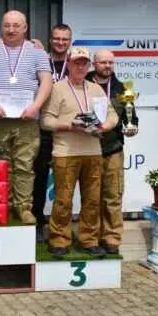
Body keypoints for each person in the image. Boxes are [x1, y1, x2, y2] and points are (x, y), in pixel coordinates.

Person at [41, 47, 118, 257]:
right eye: (76, 63)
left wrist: (105, 126)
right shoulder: (57, 88)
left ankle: (89, 240)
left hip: (93, 151)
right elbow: (46, 120)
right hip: (65, 152)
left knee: (92, 200)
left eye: (84, 63)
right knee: (63, 199)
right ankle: (59, 240)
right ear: (68, 64)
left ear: (89, 66)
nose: (80, 67)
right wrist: (70, 126)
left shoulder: (96, 89)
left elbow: (112, 115)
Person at [0, 10, 52, 224]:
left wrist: (36, 107)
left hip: (27, 119)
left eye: (16, 26)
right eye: (7, 25)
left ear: (25, 28)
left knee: (24, 165)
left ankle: (23, 207)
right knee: (0, 164)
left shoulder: (37, 52)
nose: (11, 30)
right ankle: (3, 206)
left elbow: (46, 81)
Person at [86, 49, 139, 254]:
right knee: (91, 197)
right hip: (87, 148)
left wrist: (132, 127)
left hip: (113, 148)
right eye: (103, 62)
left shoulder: (122, 89)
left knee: (113, 196)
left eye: (110, 62)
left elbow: (131, 119)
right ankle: (91, 237)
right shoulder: (83, 84)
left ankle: (111, 239)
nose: (107, 66)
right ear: (94, 64)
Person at [32, 23, 73, 241]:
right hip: (43, 128)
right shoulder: (40, 60)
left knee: (64, 180)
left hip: (67, 130)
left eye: (65, 39)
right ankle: (37, 221)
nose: (60, 42)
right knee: (39, 178)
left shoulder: (75, 64)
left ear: (70, 42)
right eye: (57, 38)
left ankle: (61, 225)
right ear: (50, 40)